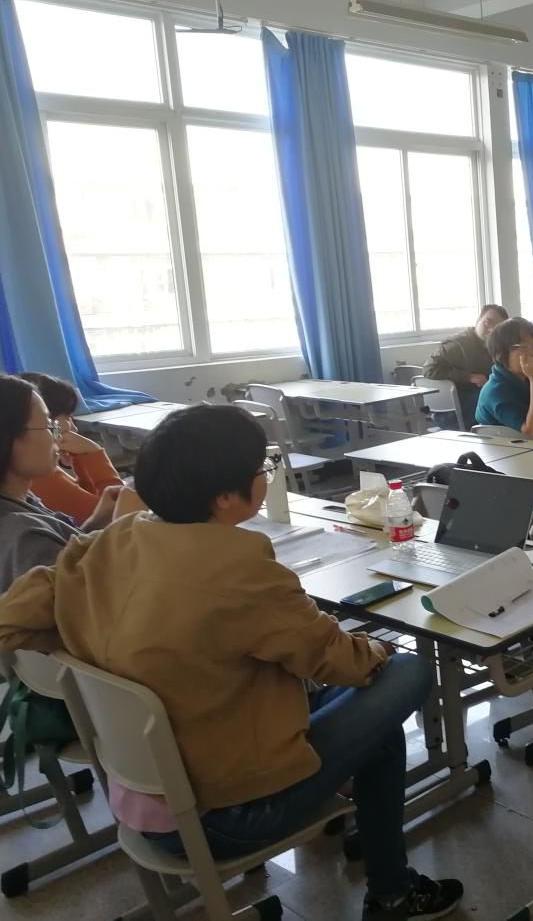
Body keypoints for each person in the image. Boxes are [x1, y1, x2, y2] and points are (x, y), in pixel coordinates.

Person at [0, 404, 463, 921]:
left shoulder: (104, 544)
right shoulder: (239, 567)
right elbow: (341, 662)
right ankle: (391, 890)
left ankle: (392, 886)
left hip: (139, 797)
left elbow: (9, 621)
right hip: (229, 812)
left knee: (373, 723)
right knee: (405, 671)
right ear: (224, 495)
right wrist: (376, 649)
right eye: (261, 468)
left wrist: (73, 651)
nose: (264, 476)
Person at [0, 375, 121, 592]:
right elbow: (88, 599)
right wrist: (127, 527)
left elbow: (64, 554)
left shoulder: (21, 497)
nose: (58, 436)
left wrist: (94, 523)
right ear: (8, 439)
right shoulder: (25, 537)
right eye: (49, 425)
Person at [17, 371, 126, 524]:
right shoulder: (38, 475)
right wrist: (94, 453)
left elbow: (89, 504)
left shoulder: (29, 466)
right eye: (67, 417)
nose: (74, 428)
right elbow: (119, 517)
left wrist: (82, 458)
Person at [422, 304, 509, 427]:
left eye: (497, 327)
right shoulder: (457, 345)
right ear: (478, 321)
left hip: (476, 403)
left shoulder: (497, 345)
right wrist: (468, 377)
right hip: (455, 410)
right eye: (487, 322)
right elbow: (429, 369)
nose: (491, 329)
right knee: (499, 399)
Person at [475, 317, 533, 438]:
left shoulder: (527, 380)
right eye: (523, 347)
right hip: (508, 448)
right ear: (500, 352)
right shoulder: (495, 391)